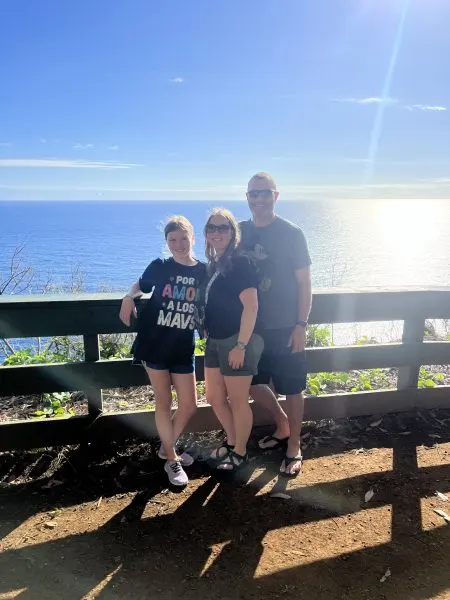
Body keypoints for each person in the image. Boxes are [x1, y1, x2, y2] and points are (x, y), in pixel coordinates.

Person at [119, 216, 206, 486]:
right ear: (166, 242)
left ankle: (166, 447)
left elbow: (208, 303)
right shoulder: (160, 266)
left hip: (183, 346)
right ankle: (172, 459)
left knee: (189, 405)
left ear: (193, 238)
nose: (178, 244)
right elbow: (140, 285)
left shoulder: (204, 270)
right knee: (163, 401)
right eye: (172, 240)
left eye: (183, 238)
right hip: (155, 343)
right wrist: (127, 297)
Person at [240, 172, 312, 477]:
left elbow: (305, 283)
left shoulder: (292, 233)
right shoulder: (239, 231)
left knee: (293, 388)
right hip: (250, 329)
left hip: (285, 327)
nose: (259, 199)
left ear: (276, 196)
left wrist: (301, 324)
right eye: (253, 194)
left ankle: (294, 445)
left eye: (265, 193)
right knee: (254, 384)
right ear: (247, 197)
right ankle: (283, 425)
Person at [203, 208, 263, 471]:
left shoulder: (240, 264)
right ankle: (231, 439)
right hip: (214, 341)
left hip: (234, 341)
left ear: (232, 233)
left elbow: (251, 307)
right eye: (212, 228)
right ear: (206, 234)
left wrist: (241, 345)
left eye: (222, 228)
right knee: (214, 396)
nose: (216, 233)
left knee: (238, 401)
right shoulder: (213, 265)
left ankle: (240, 452)